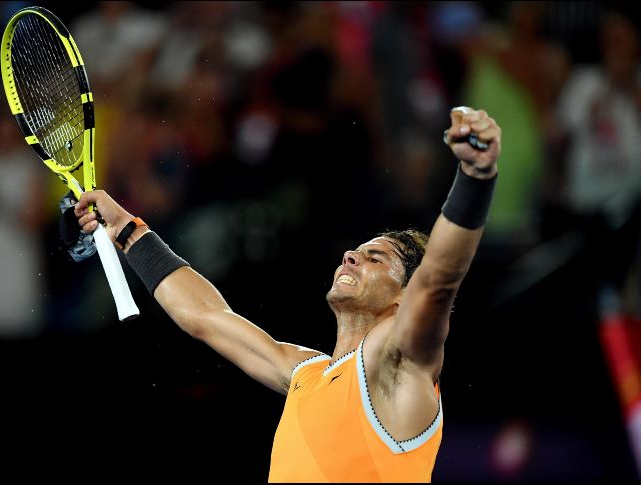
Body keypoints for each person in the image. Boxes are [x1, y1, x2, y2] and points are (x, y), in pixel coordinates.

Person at [70, 106, 501, 482]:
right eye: (357, 250)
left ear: (403, 298)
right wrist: (128, 230)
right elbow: (205, 315)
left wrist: (475, 179)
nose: (351, 256)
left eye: (376, 258)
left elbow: (438, 279)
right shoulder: (305, 373)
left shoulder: (400, 368)